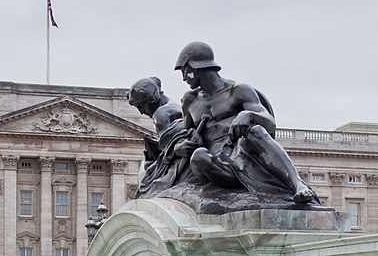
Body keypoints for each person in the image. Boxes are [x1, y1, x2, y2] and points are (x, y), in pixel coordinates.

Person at [173, 41, 319, 205]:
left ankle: (297, 184)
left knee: (254, 130)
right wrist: (180, 148)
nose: (184, 77)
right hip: (217, 165)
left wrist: (248, 115)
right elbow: (185, 135)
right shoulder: (190, 100)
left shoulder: (238, 90)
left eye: (185, 71)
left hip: (244, 157)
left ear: (196, 67)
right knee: (198, 156)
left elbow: (269, 123)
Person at [128, 77, 191, 197]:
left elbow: (168, 153)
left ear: (151, 99)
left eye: (141, 106)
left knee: (144, 172)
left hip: (178, 163)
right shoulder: (174, 105)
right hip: (181, 157)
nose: (141, 112)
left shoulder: (160, 115)